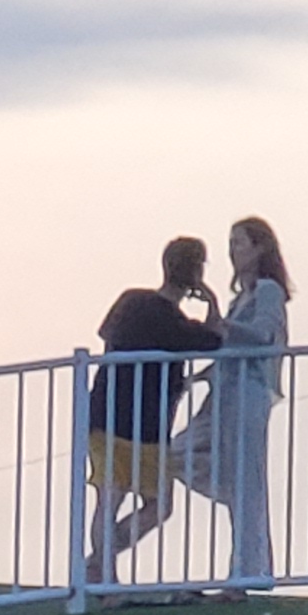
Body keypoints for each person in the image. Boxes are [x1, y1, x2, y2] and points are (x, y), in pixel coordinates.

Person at [88, 237, 220, 575]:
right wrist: (212, 302)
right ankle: (103, 571)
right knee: (154, 504)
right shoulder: (176, 325)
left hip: (111, 414)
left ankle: (100, 565)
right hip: (140, 424)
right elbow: (215, 339)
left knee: (115, 500)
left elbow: (107, 333)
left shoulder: (131, 301)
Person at [179, 217, 293, 588]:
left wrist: (220, 323)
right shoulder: (238, 300)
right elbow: (230, 349)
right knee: (178, 453)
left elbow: (262, 336)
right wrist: (199, 376)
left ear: (260, 248)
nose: (232, 251)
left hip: (249, 391)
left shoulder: (267, 291)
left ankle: (249, 571)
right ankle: (245, 553)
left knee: (247, 479)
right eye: (230, 243)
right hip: (224, 392)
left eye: (239, 243)